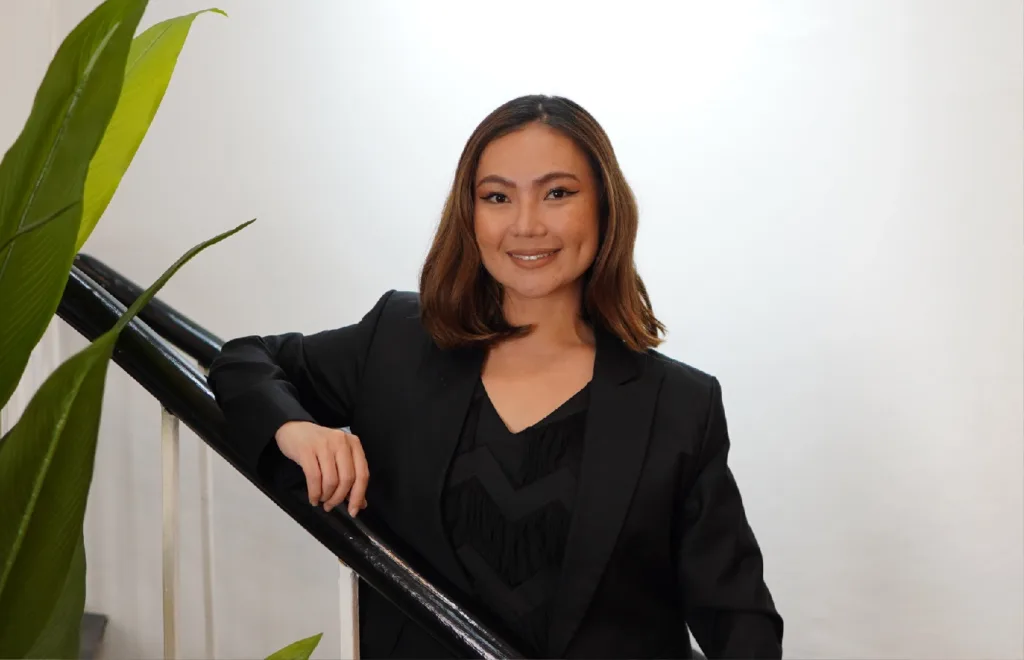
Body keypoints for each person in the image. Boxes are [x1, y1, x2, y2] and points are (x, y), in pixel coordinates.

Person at [208, 94, 783, 659]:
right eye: (498, 196)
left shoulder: (680, 404)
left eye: (558, 193)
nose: (526, 224)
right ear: (470, 213)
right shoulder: (399, 341)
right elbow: (244, 359)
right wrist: (296, 429)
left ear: (605, 207)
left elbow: (739, 623)